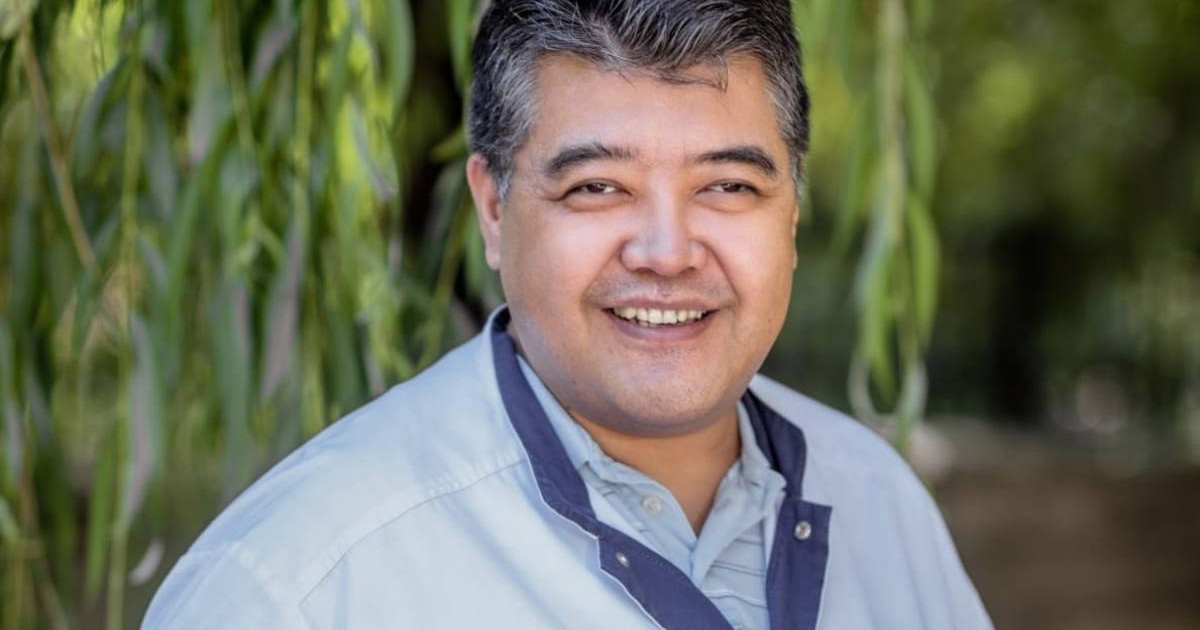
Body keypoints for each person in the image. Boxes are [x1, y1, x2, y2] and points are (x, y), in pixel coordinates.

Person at [143, 1, 992, 628]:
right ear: (493, 211)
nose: (667, 252)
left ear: (792, 216)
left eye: (729, 186)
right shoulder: (302, 586)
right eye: (597, 188)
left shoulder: (879, 503)